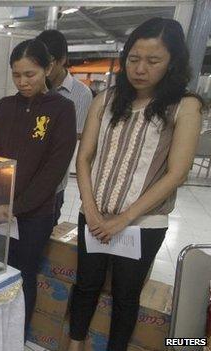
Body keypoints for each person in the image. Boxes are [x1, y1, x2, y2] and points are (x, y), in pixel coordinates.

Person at [68, 18, 202, 351]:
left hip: (141, 224)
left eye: (153, 61)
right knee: (86, 285)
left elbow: (177, 173)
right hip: (96, 217)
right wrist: (92, 210)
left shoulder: (185, 107)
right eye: (133, 59)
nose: (140, 69)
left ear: (172, 63)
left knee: (126, 296)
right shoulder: (107, 100)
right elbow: (84, 158)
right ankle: (74, 344)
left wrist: (123, 219)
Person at [0, 39, 77, 332]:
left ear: (47, 68)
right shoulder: (4, 106)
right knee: (1, 270)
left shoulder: (62, 109)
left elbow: (54, 169)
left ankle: (17, 335)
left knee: (25, 274)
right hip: (0, 209)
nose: (22, 82)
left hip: (35, 212)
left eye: (30, 74)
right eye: (16, 75)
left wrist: (18, 206)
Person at [36, 30, 93, 226]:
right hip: (24, 178)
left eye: (50, 61)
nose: (45, 67)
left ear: (62, 60)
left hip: (53, 184)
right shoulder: (33, 86)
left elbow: (72, 143)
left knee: (43, 238)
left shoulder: (80, 94)